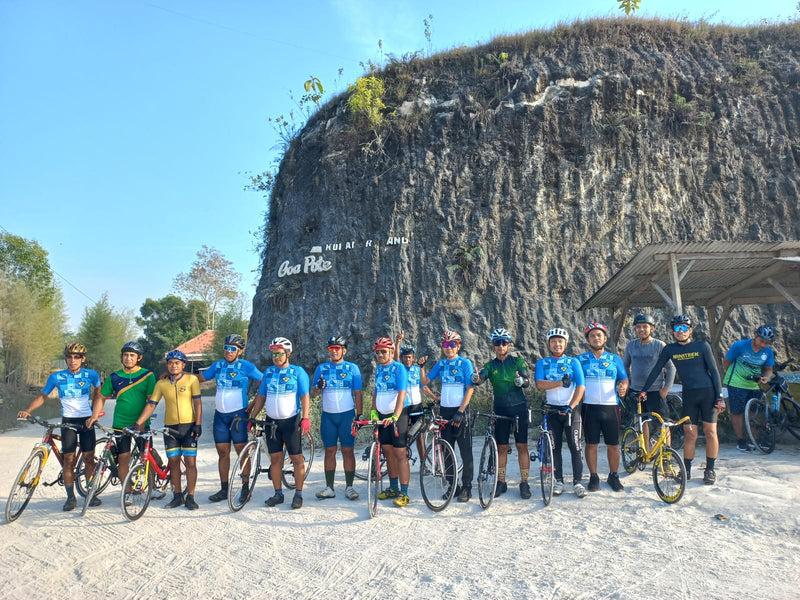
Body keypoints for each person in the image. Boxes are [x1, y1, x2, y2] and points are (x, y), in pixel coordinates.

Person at [18, 343, 101, 511]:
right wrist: (27, 410)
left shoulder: (91, 375)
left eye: (77, 357)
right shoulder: (57, 377)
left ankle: (90, 492)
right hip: (67, 421)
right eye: (69, 357)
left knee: (88, 458)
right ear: (66, 359)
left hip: (86, 421)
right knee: (68, 460)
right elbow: (42, 396)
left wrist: (94, 414)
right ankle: (71, 498)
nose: (73, 360)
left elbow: (99, 394)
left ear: (83, 359)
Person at [640, 315, 723, 485]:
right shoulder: (670, 349)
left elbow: (714, 371)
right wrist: (644, 390)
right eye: (677, 329)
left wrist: (719, 396)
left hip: (708, 393)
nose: (680, 331)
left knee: (710, 432)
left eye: (684, 328)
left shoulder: (702, 345)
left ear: (690, 330)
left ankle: (710, 470)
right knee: (690, 434)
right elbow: (657, 370)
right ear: (672, 332)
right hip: (690, 395)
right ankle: (686, 470)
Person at [198, 334, 263, 503]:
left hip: (238, 416)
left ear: (240, 351)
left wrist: (255, 401)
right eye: (226, 348)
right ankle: (224, 488)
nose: (228, 351)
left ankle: (245, 488)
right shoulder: (218, 365)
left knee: (242, 453)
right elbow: (200, 378)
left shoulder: (246, 366)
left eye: (232, 349)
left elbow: (264, 381)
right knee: (222, 453)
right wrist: (177, 374)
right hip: (220, 416)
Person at [134, 349, 203, 510]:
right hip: (170, 429)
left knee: (190, 463)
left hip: (189, 428)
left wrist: (198, 425)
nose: (173, 366)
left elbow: (198, 404)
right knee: (173, 463)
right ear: (167, 365)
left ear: (183, 364)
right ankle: (177, 496)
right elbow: (152, 404)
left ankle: (191, 496)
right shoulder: (161, 383)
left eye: (177, 363)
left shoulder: (192, 379)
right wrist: (139, 423)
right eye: (170, 363)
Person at [88, 341, 158, 496]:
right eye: (126, 355)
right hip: (120, 424)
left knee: (146, 456)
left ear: (139, 358)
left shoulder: (148, 375)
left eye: (132, 355)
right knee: (123, 457)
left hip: (141, 424)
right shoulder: (115, 376)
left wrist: (141, 421)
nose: (128, 358)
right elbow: (101, 397)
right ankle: (126, 491)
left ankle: (153, 488)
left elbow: (151, 401)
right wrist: (95, 414)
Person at [248, 337, 310, 509]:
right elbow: (261, 397)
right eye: (274, 354)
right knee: (275, 460)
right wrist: (253, 417)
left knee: (297, 459)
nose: (276, 357)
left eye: (280, 354)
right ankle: (278, 493)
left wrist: (305, 418)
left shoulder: (298, 372)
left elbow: (305, 396)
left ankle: (298, 494)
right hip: (272, 422)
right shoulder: (269, 372)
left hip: (291, 421)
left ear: (288, 354)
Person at [471, 328, 532, 499]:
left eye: (503, 342)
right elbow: (481, 377)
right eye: (497, 342)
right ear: (493, 346)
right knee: (502, 447)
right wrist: (476, 378)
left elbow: (527, 380)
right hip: (501, 410)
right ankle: (501, 482)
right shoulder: (490, 365)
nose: (500, 345)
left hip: (519, 407)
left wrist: (522, 381)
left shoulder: (518, 362)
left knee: (522, 446)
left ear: (509, 344)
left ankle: (524, 482)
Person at [421, 330, 475, 502]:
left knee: (465, 451)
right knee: (446, 451)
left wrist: (461, 411)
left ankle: (467, 486)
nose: (449, 348)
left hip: (460, 411)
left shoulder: (465, 363)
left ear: (458, 346)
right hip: (444, 411)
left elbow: (470, 389)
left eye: (452, 345)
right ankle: (454, 486)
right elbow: (424, 382)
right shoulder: (441, 364)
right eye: (445, 345)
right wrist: (421, 367)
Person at [534, 328, 588, 498]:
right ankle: (559, 481)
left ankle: (578, 482)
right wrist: (558, 383)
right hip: (551, 410)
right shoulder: (542, 363)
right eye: (553, 341)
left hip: (570, 410)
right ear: (549, 344)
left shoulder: (573, 362)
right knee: (554, 447)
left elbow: (580, 386)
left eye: (560, 341)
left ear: (565, 344)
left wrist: (571, 406)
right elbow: (539, 384)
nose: (557, 344)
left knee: (575, 446)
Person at [577, 323, 630, 493]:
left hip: (611, 407)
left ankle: (613, 476)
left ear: (605, 338)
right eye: (592, 335)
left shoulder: (615, 359)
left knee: (613, 444)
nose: (596, 338)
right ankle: (594, 476)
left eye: (599, 335)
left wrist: (623, 387)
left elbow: (624, 378)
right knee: (591, 444)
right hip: (589, 408)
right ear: (588, 340)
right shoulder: (580, 360)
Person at [311, 334, 364, 501]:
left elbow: (358, 393)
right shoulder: (321, 368)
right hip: (328, 416)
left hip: (347, 416)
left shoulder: (352, 368)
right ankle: (329, 488)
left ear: (344, 351)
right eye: (331, 348)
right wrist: (318, 387)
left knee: (348, 451)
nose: (333, 351)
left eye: (337, 348)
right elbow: (314, 393)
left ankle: (349, 487)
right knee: (329, 451)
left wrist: (359, 414)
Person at [623, 314, 677, 449]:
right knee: (641, 423)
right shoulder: (631, 345)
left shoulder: (659, 345)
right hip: (636, 390)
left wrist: (666, 389)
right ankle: (645, 450)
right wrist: (627, 382)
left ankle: (666, 454)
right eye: (638, 327)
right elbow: (625, 365)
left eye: (645, 327)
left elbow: (671, 367)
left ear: (652, 328)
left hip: (655, 390)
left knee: (662, 424)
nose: (641, 330)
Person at [722, 325, 776, 452]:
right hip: (736, 382)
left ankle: (755, 439)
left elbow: (769, 369)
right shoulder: (740, 345)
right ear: (755, 335)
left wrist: (766, 378)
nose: (763, 344)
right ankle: (740, 440)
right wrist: (733, 375)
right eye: (761, 341)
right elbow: (727, 361)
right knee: (738, 412)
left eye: (766, 343)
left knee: (754, 412)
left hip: (754, 384)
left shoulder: (767, 352)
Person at [394, 330, 438, 461]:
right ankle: (404, 462)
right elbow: (395, 359)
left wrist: (435, 398)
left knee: (419, 435)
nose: (407, 359)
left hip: (417, 407)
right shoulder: (399, 369)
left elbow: (424, 387)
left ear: (413, 358)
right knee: (405, 435)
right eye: (405, 357)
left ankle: (423, 463)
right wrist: (397, 342)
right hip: (404, 407)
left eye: (409, 357)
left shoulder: (417, 370)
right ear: (402, 358)